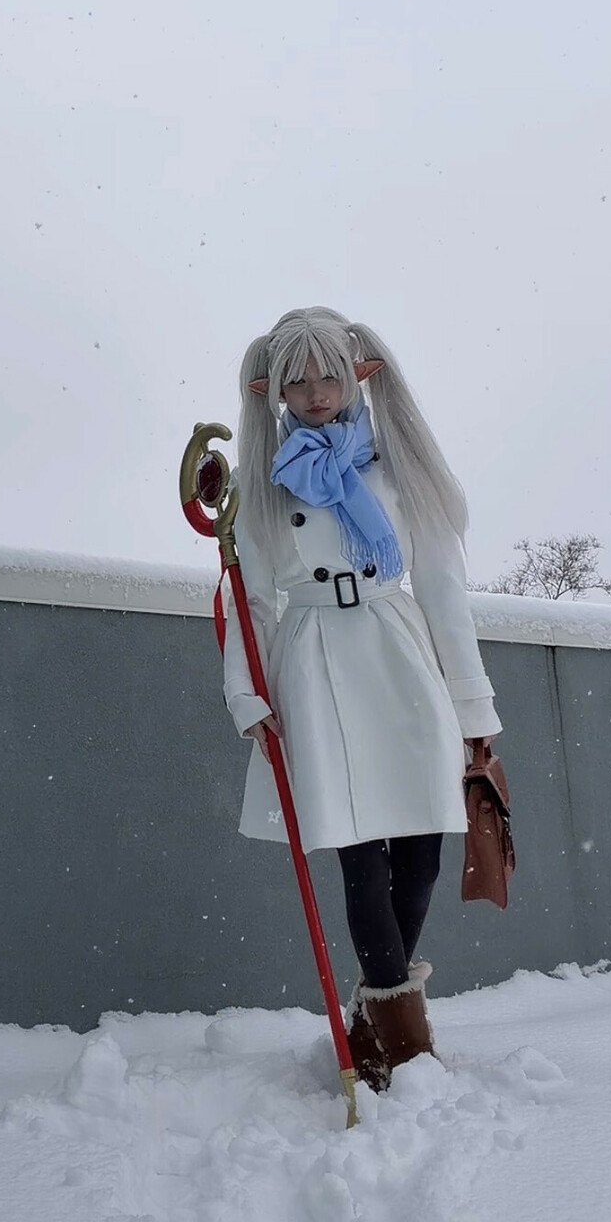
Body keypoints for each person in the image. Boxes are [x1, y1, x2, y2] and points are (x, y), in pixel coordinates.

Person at [221, 306, 501, 1090]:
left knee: (422, 854)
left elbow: (443, 593)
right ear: (272, 390)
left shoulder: (400, 466)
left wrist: (473, 709)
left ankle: (370, 1023)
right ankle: (404, 1048)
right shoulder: (262, 483)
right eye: (298, 381)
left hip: (400, 653)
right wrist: (248, 694)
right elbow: (250, 602)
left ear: (360, 375)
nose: (317, 393)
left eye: (330, 376)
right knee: (360, 860)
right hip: (316, 665)